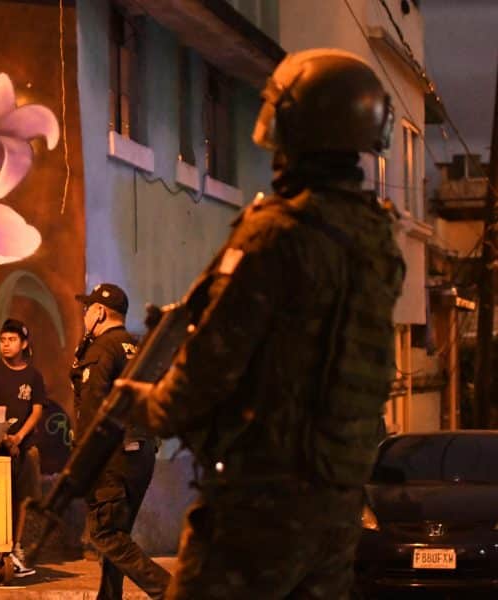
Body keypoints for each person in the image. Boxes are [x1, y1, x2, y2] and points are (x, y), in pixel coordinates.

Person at [117, 49, 405, 599]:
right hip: (336, 503)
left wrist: (147, 406)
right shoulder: (375, 238)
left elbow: (211, 363)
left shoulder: (276, 234)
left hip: (260, 504)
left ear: (297, 126)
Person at [71, 284, 169, 600]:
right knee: (118, 533)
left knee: (105, 534)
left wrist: (82, 459)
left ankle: (172, 591)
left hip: (112, 456)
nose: (85, 314)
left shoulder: (102, 348)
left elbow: (93, 408)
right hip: (141, 452)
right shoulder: (138, 346)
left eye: (88, 308)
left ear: (99, 312)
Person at [0, 318, 45, 577]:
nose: (6, 345)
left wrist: (18, 439)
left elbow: (36, 411)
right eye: (3, 340)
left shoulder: (34, 376)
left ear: (24, 343)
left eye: (12, 340)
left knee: (22, 498)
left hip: (26, 447)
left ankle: (16, 547)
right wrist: (5, 439)